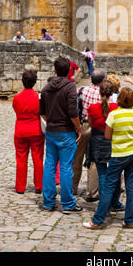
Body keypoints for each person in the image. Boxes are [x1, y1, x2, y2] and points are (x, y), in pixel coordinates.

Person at [83, 87, 133, 230]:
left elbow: (107, 136)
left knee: (109, 186)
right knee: (131, 187)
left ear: (119, 100)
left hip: (119, 154)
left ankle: (98, 220)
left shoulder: (114, 115)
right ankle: (129, 220)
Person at [40, 56, 82, 213]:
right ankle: (68, 203)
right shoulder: (70, 87)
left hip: (51, 131)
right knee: (65, 167)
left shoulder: (46, 88)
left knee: (50, 166)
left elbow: (42, 113)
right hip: (66, 132)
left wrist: (52, 120)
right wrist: (78, 127)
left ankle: (48, 201)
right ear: (69, 71)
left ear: (55, 70)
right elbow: (73, 112)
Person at [87, 79, 123, 211]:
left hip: (97, 141)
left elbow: (90, 124)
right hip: (112, 140)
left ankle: (104, 202)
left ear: (100, 91)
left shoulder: (92, 108)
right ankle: (115, 201)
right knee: (116, 171)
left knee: (102, 172)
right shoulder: (116, 108)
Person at [72, 69, 106, 200]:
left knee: (77, 157)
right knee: (94, 158)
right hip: (97, 126)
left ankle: (72, 187)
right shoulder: (103, 94)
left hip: (82, 125)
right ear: (103, 80)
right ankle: (92, 191)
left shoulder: (81, 90)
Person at [12, 70, 45, 194]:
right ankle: (39, 185)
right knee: (38, 158)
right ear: (35, 82)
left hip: (21, 130)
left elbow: (16, 110)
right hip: (35, 130)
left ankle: (20, 187)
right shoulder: (38, 97)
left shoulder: (16, 98)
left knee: (21, 159)